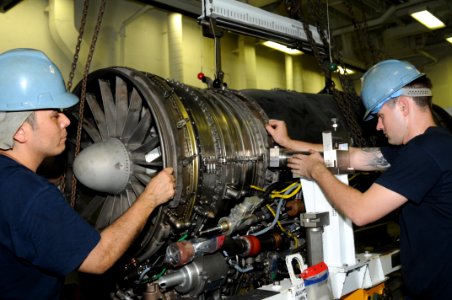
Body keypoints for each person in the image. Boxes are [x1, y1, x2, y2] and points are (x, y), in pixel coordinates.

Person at [266, 59, 452, 299]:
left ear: (404, 106)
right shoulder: (434, 144)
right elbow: (354, 158)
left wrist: (317, 171)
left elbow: (361, 211)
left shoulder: (423, 153)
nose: (378, 126)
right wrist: (290, 143)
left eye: (381, 116)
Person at [0, 48, 176, 299]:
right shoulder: (31, 196)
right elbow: (99, 259)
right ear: (20, 132)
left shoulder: (12, 182)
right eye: (54, 116)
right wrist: (151, 197)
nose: (66, 121)